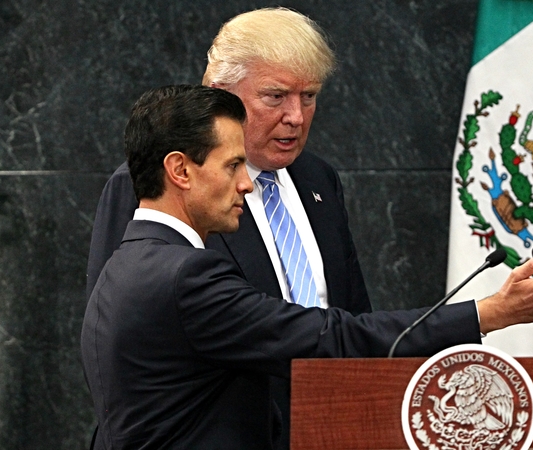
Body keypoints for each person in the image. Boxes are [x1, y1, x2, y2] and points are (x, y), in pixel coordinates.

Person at [81, 84, 533, 450]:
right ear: (180, 171)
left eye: (310, 97)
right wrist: (490, 312)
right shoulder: (186, 277)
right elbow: (329, 337)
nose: (245, 183)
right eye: (233, 165)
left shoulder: (126, 265)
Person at [84, 9, 369, 447]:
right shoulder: (149, 186)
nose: (296, 115)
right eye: (275, 97)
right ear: (221, 94)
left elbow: (352, 316)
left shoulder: (319, 180)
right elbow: (121, 340)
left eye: (309, 96)